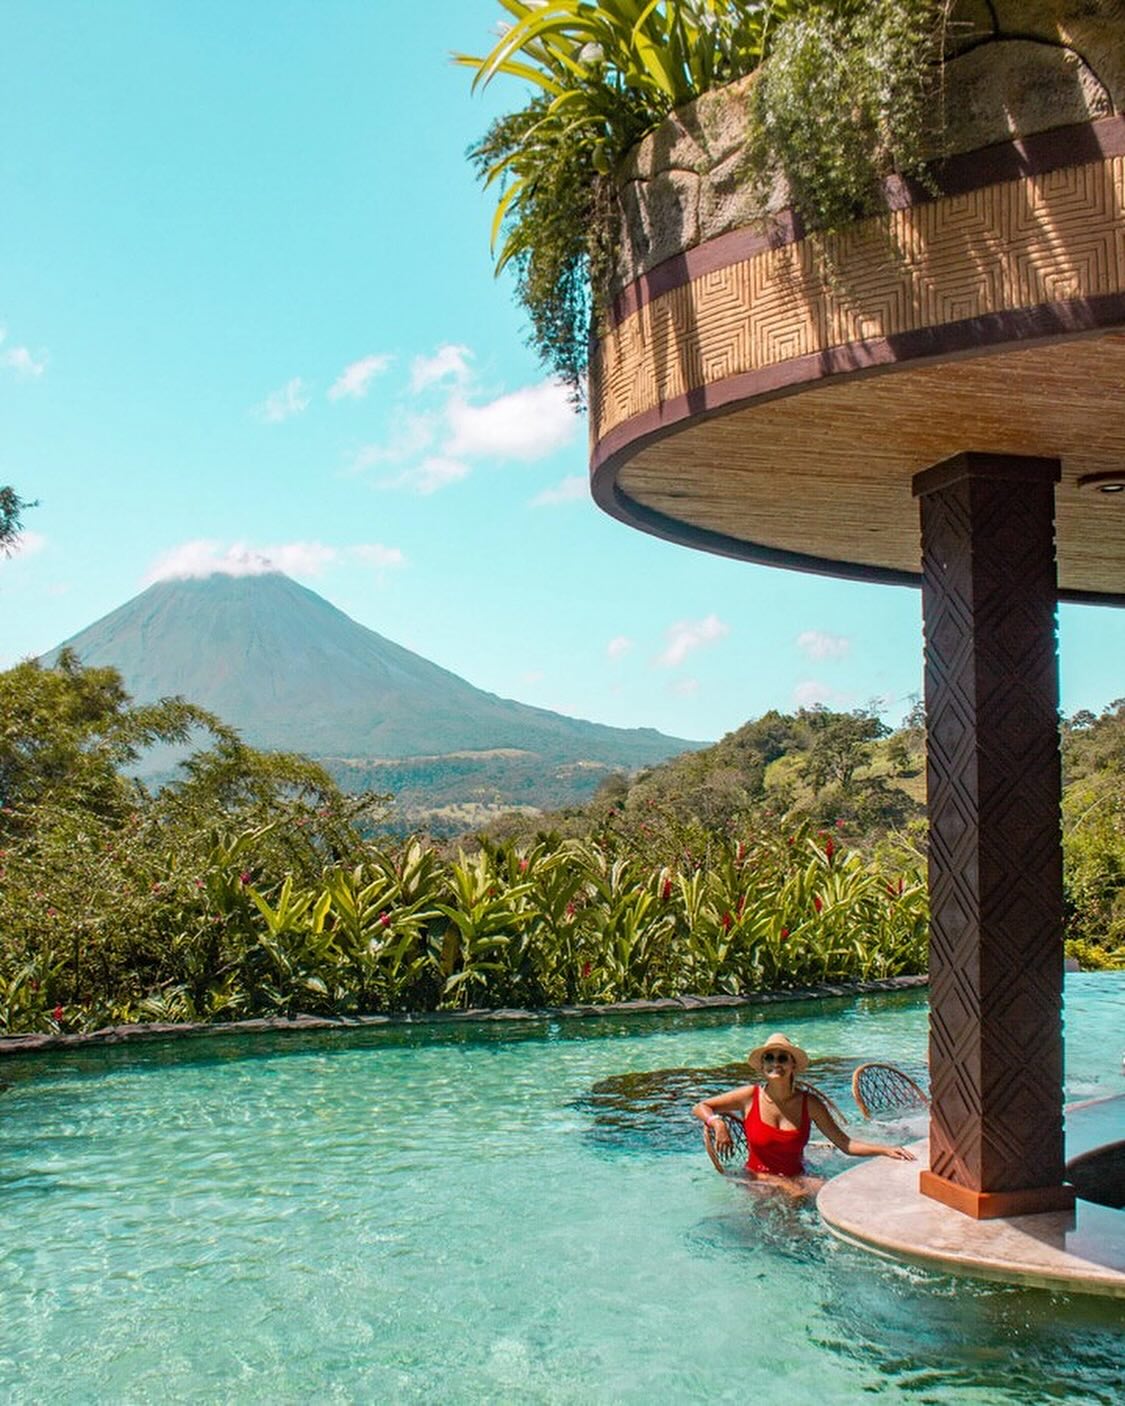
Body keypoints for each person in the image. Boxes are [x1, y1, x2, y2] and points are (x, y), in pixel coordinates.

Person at [692, 1032, 916, 1193]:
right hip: (756, 1179)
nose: (775, 1063)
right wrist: (717, 1124)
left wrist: (886, 1150)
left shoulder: (810, 1104)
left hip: (798, 1175)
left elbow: (844, 1143)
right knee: (793, 1197)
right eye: (769, 1058)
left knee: (837, 1193)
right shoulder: (749, 1096)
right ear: (762, 1066)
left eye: (782, 1058)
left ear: (792, 1065)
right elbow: (700, 1106)